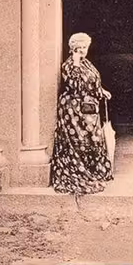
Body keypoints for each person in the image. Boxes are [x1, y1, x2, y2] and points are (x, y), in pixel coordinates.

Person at [51, 33, 114, 195]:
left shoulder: (86, 63)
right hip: (74, 111)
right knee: (80, 139)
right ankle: (80, 171)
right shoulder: (69, 65)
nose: (84, 50)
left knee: (93, 138)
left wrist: (102, 91)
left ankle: (92, 170)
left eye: (86, 47)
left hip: (89, 108)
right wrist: (76, 60)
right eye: (81, 48)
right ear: (74, 48)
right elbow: (76, 85)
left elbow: (92, 82)